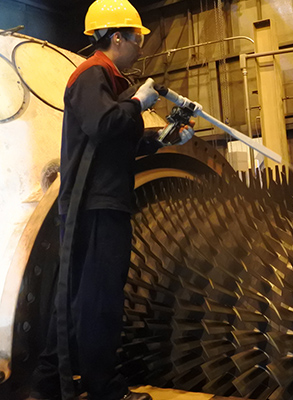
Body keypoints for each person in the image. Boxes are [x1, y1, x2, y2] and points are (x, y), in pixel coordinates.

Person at [28, 1, 194, 399]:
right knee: (99, 299)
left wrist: (163, 139)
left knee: (79, 296)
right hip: (96, 204)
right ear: (117, 37)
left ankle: (49, 383)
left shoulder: (107, 80)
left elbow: (116, 143)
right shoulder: (92, 74)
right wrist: (139, 103)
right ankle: (103, 388)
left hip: (97, 201)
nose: (140, 45)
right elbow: (103, 124)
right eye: (137, 37)